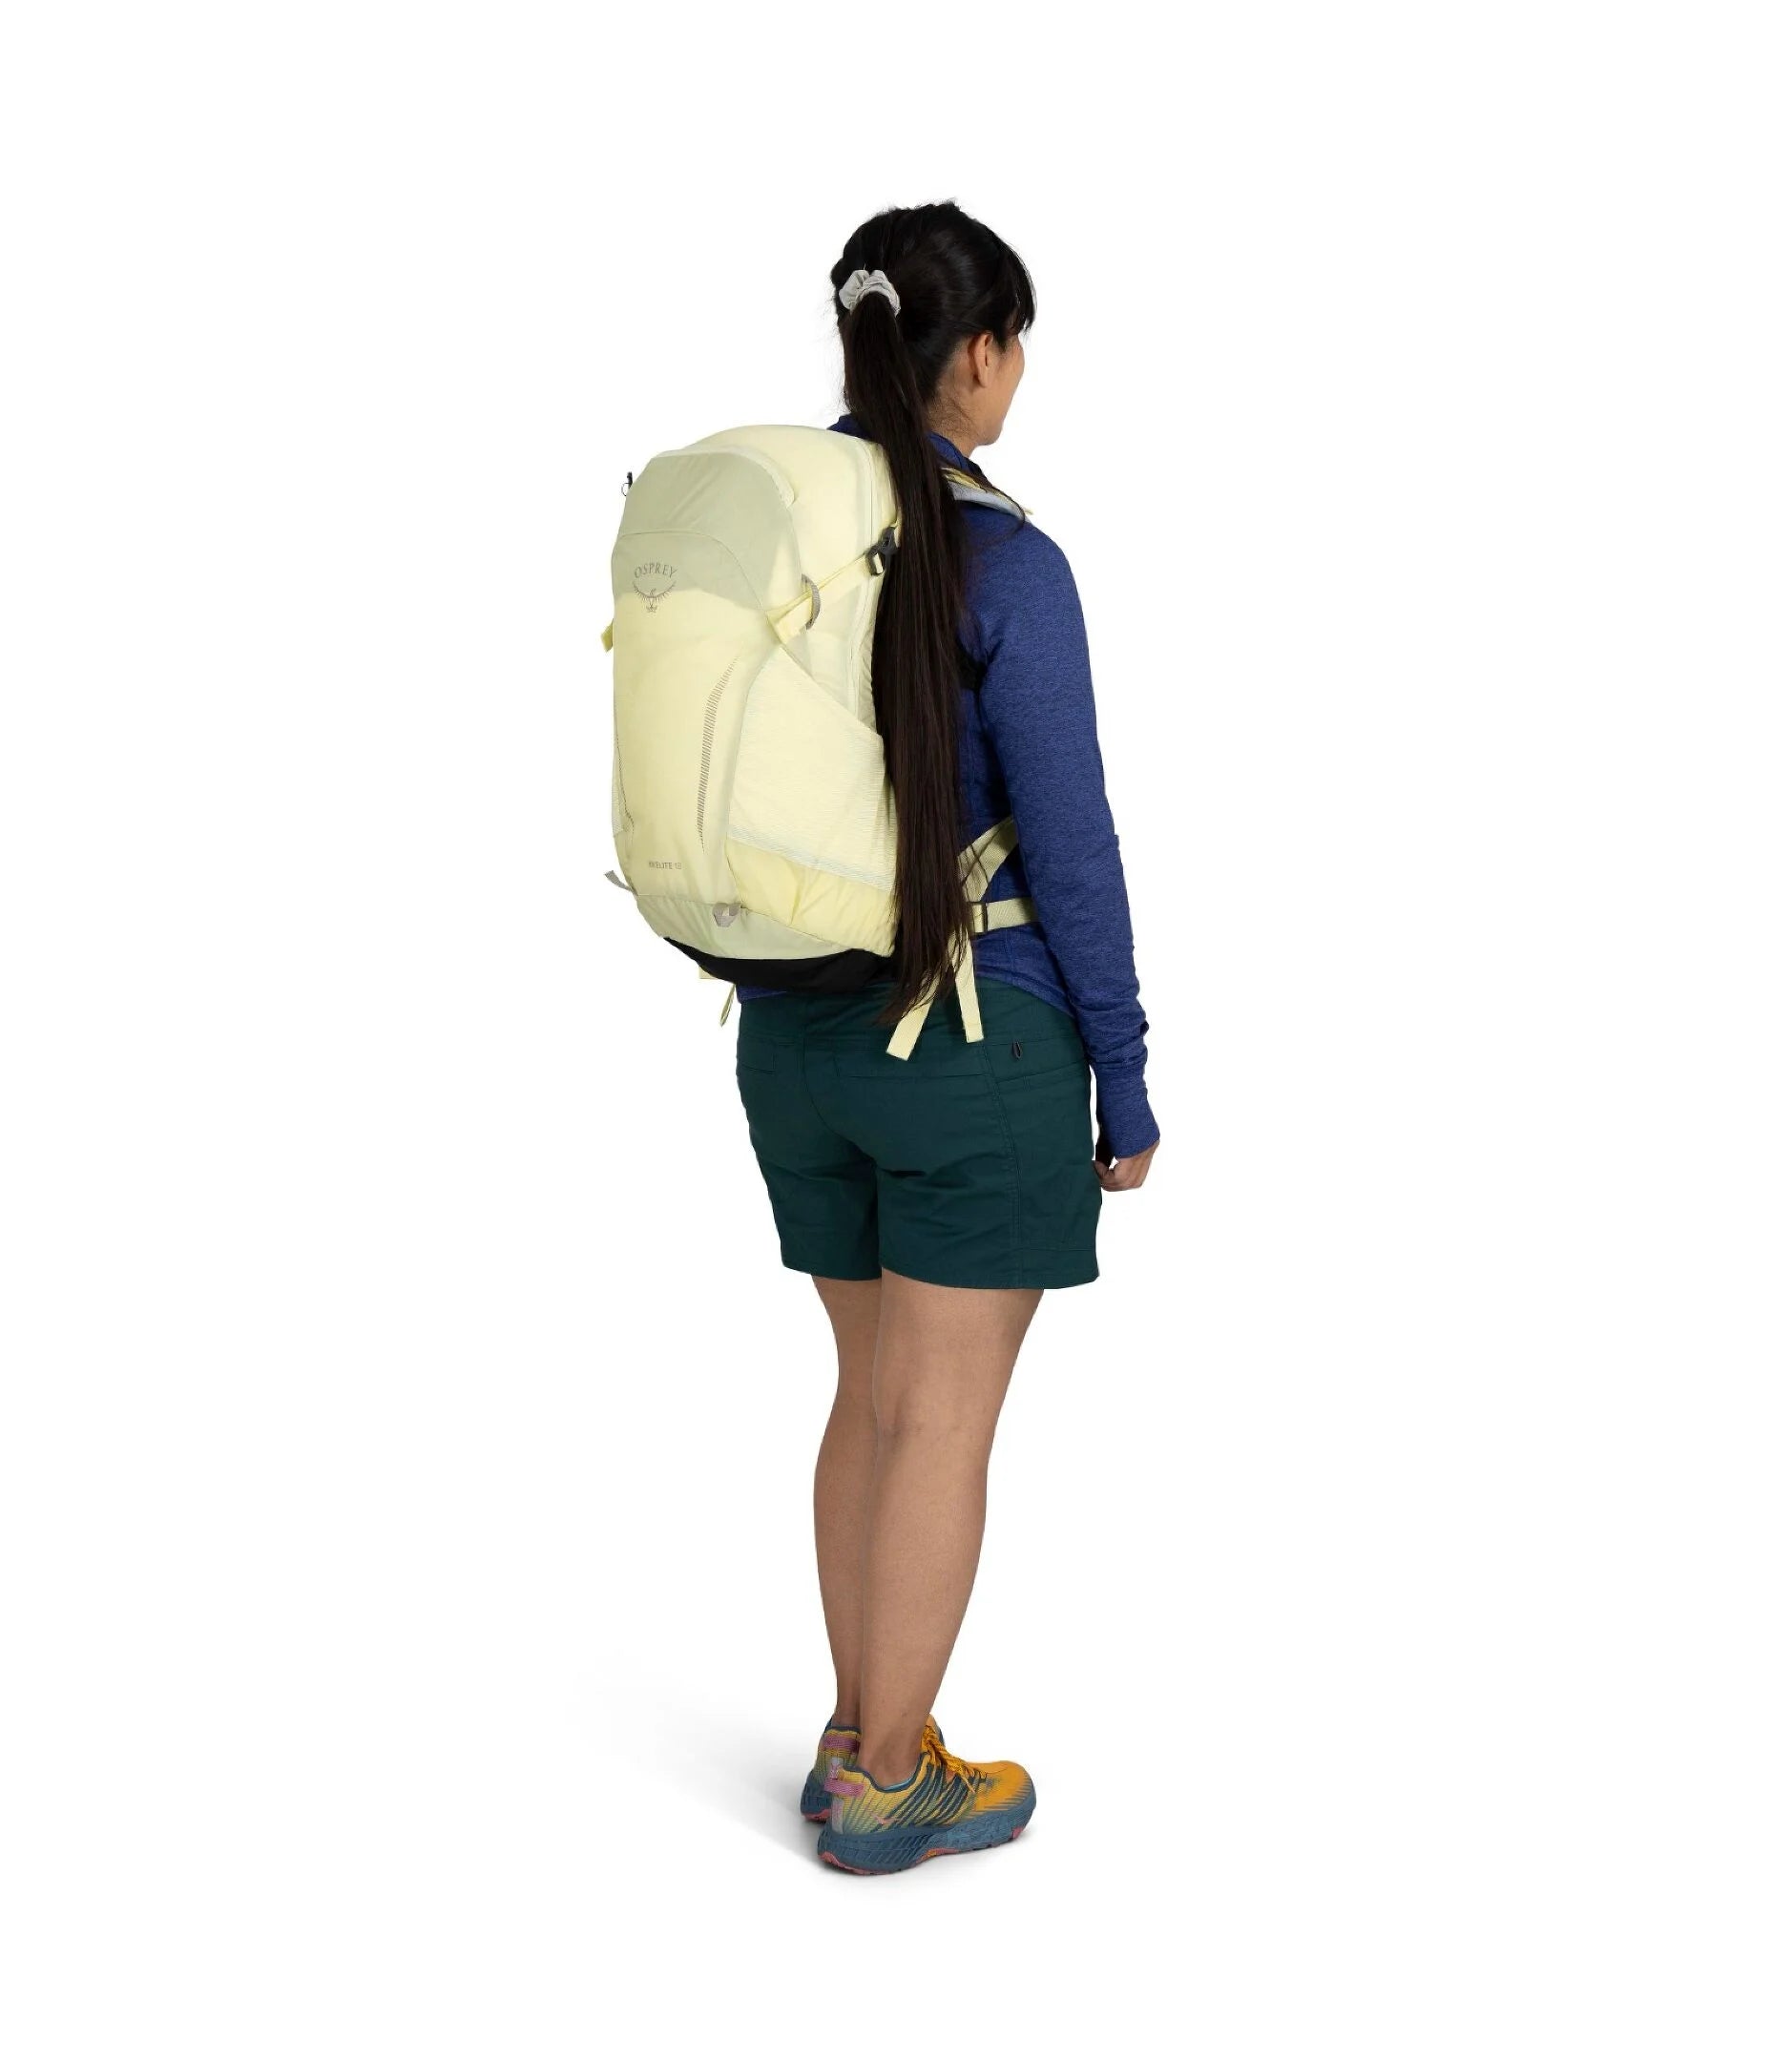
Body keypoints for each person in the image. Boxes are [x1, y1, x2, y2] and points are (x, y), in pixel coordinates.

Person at [730, 201, 1160, 1873]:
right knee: (939, 1420)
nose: (1017, 372)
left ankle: (859, 1735)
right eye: (1013, 342)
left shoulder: (783, 545)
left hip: (794, 1042)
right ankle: (889, 1780)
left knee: (869, 1396)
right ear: (973, 352)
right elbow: (1072, 845)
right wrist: (1122, 1070)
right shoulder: (1003, 562)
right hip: (973, 1051)